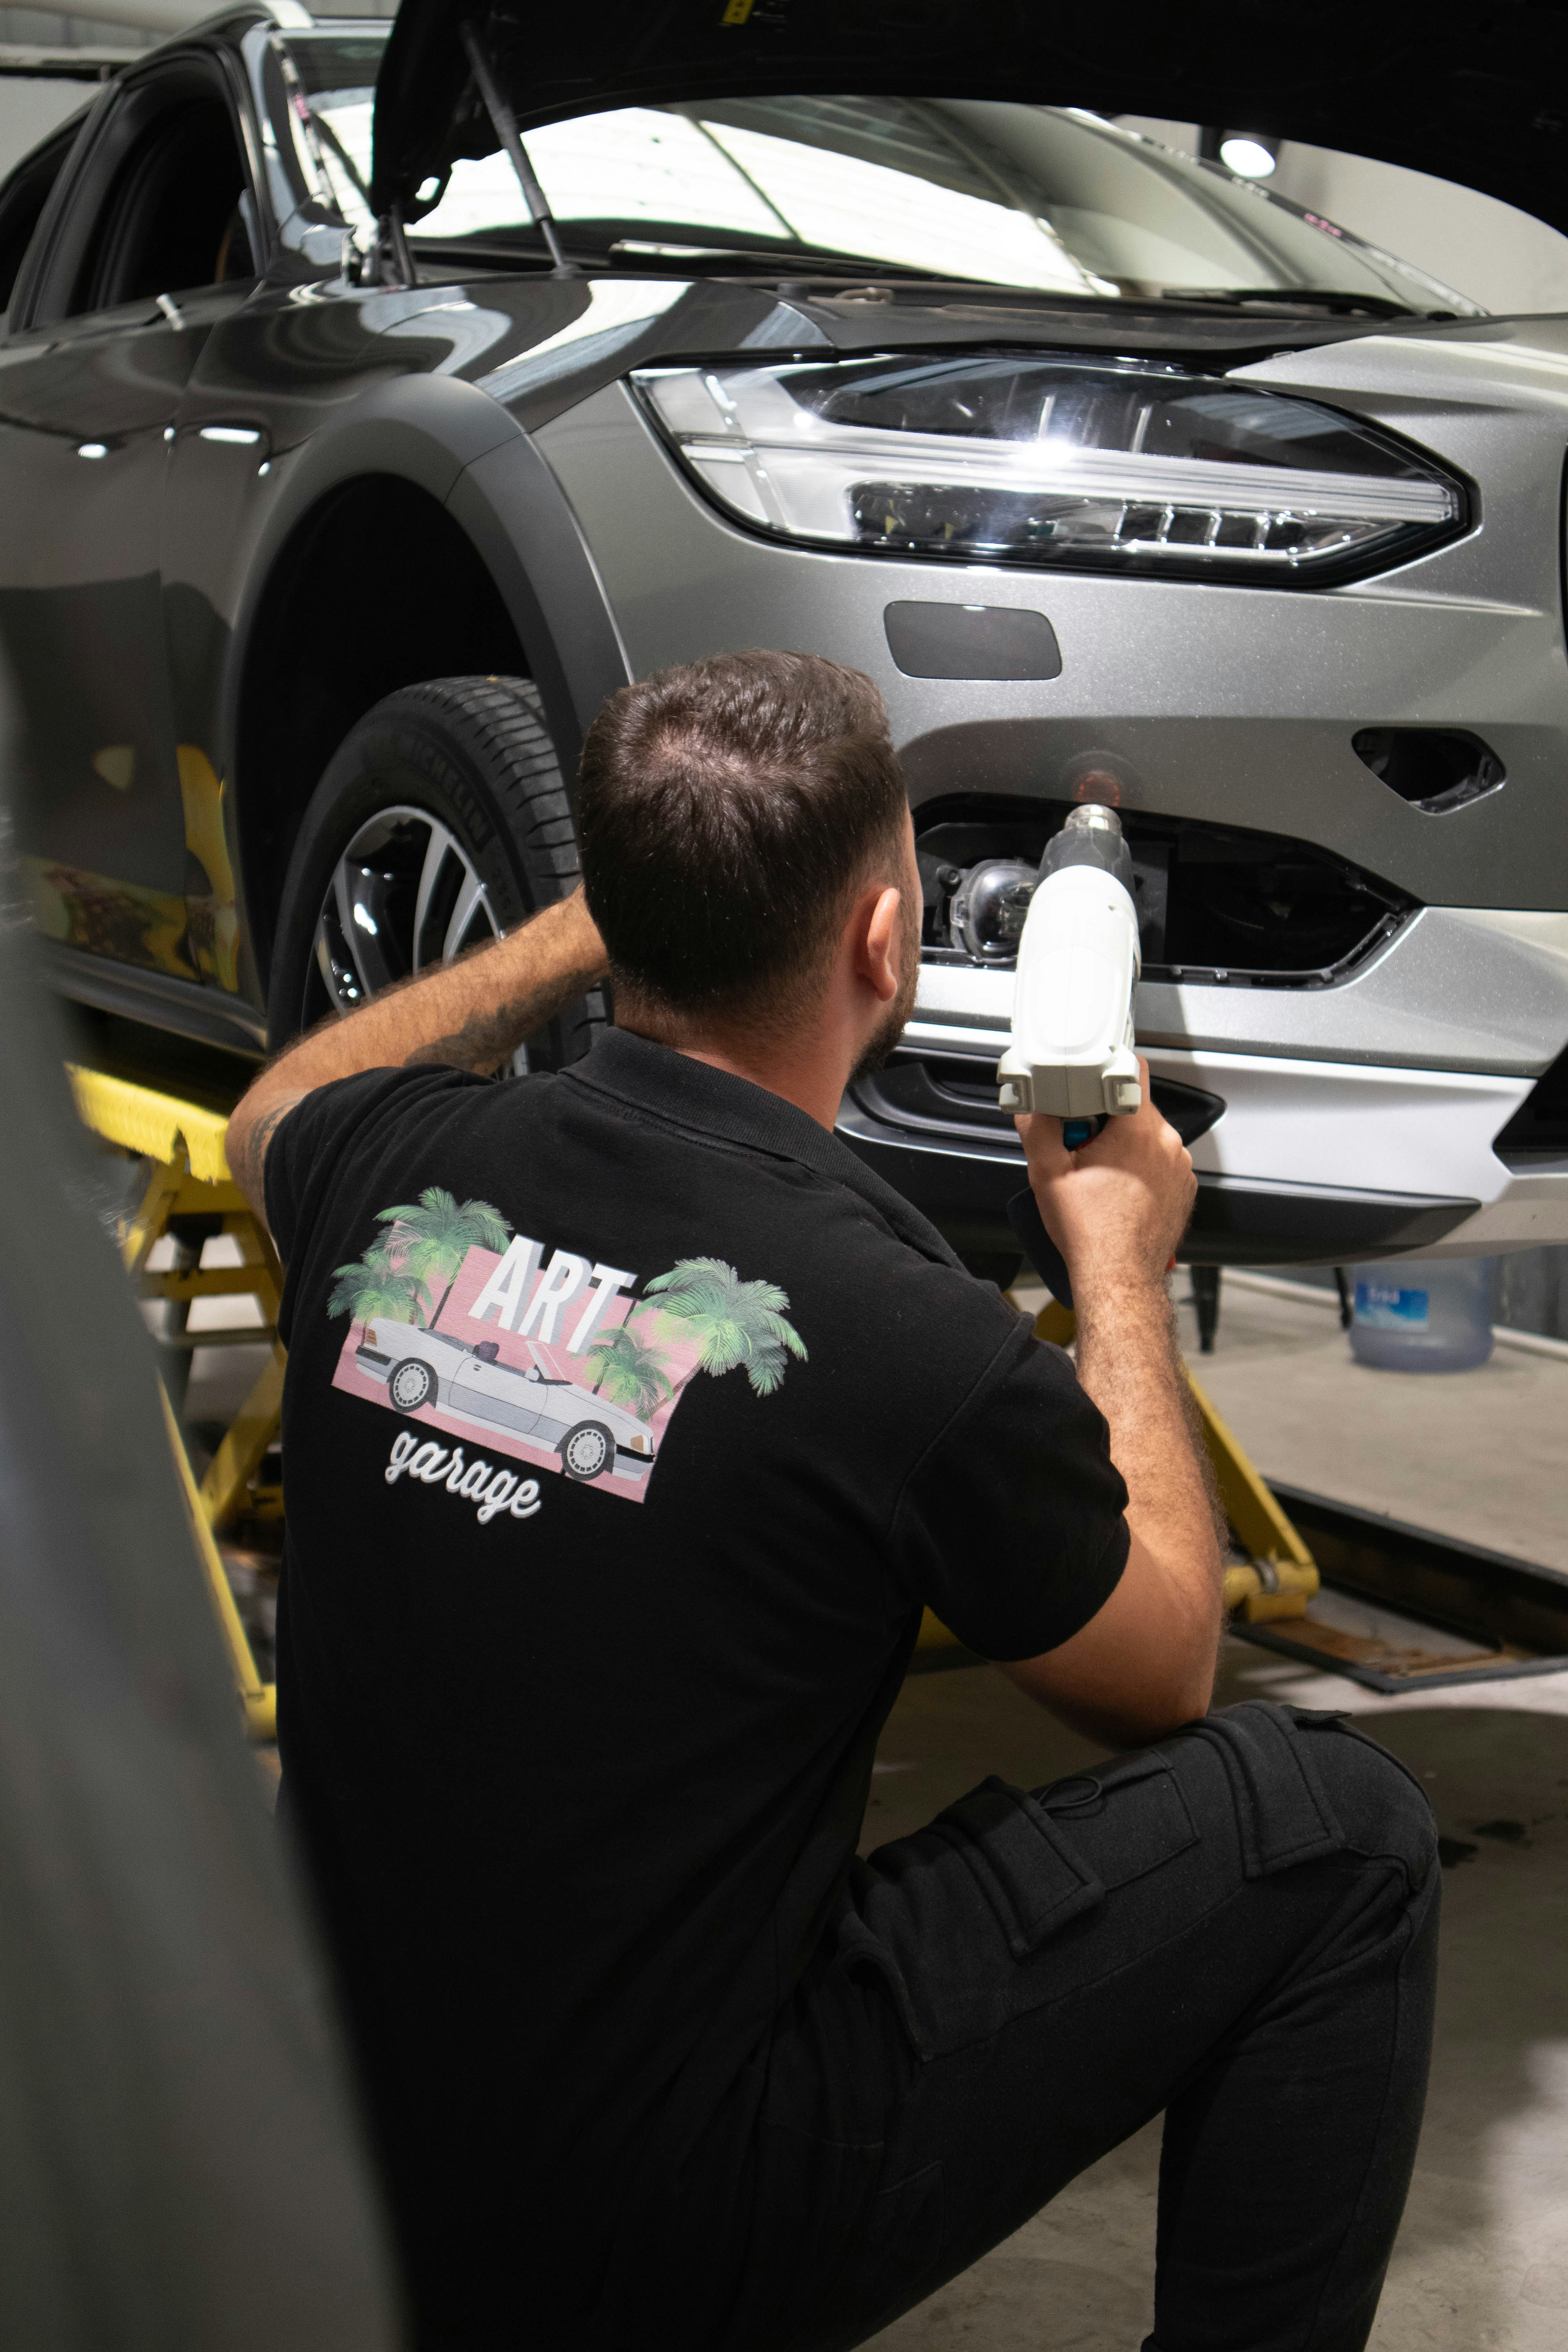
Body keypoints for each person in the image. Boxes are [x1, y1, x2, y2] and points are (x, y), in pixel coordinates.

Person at [228, 650, 1438, 2352]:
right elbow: (1162, 1672)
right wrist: (1114, 1271)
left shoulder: (386, 1169)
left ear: (628, 903)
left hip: (327, 2176)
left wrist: (596, 925)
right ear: (887, 942)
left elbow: (271, 1102)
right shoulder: (898, 1333)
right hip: (636, 2253)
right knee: (1340, 1826)